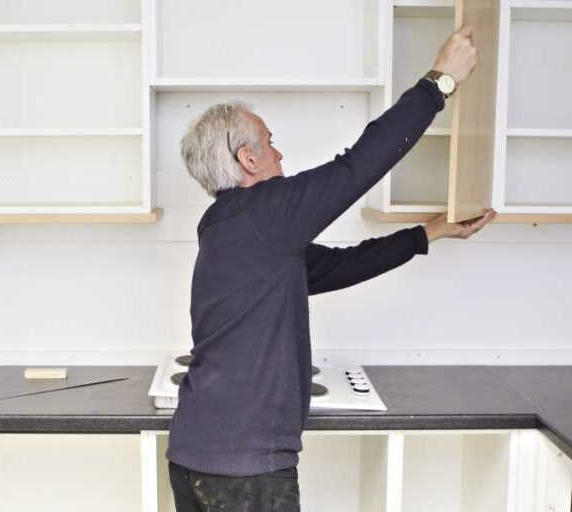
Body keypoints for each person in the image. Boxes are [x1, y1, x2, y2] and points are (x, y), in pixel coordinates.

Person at [165, 26, 493, 512]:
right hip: (245, 472)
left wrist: (428, 234)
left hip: (192, 459)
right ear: (248, 158)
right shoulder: (264, 213)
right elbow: (357, 166)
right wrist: (440, 81)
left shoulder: (230, 229)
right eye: (271, 144)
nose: (280, 154)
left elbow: (339, 267)